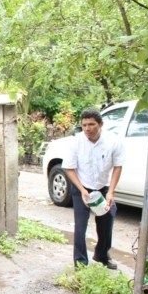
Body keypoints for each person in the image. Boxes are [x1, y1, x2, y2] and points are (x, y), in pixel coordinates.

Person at [63, 108, 124, 269]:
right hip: (81, 188)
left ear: (100, 124)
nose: (87, 129)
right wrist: (82, 190)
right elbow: (69, 168)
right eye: (84, 125)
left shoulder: (113, 141)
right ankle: (81, 264)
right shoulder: (76, 142)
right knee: (80, 226)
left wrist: (111, 192)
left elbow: (118, 166)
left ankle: (102, 255)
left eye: (91, 124)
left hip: (102, 188)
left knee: (108, 218)